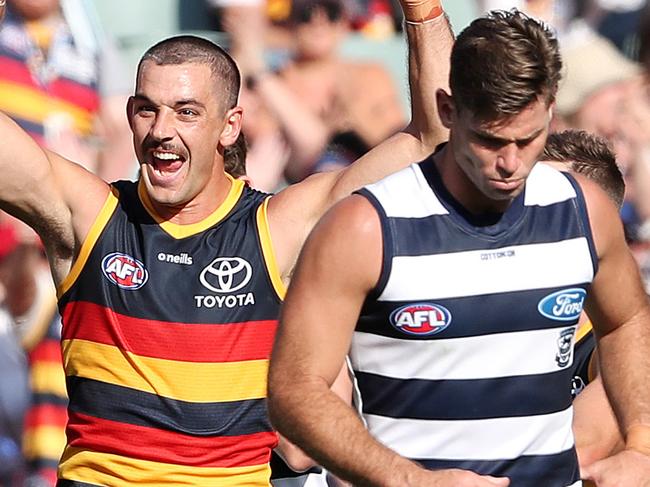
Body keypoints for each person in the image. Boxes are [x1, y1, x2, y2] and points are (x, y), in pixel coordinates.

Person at [0, 0, 453, 484]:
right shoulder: (91, 216)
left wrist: (421, 9)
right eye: (147, 110)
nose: (161, 131)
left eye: (187, 112)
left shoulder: (275, 228)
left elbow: (433, 137)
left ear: (230, 125)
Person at [268, 8, 650, 487]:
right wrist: (410, 480)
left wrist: (641, 447)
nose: (510, 163)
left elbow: (628, 321)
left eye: (528, 139)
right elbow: (293, 388)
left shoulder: (582, 212)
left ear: (551, 110)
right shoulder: (366, 227)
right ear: (448, 110)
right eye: (490, 140)